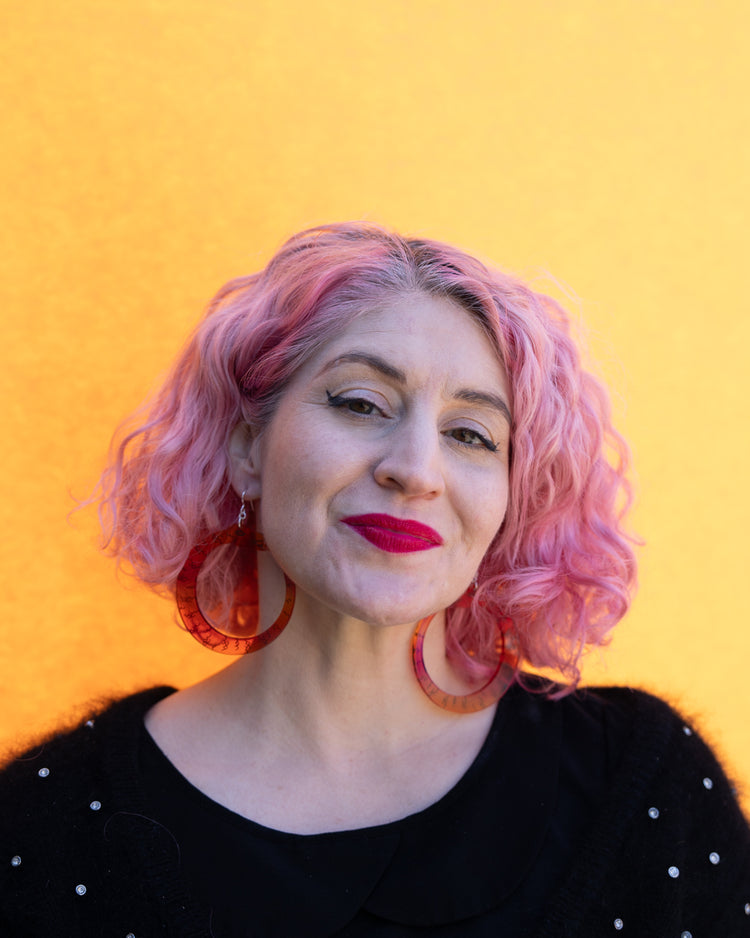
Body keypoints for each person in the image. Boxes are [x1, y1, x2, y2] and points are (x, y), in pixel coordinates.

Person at [1, 223, 748, 937]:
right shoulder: (40, 827)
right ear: (246, 448)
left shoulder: (648, 790)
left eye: (470, 434)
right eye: (361, 403)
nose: (416, 469)